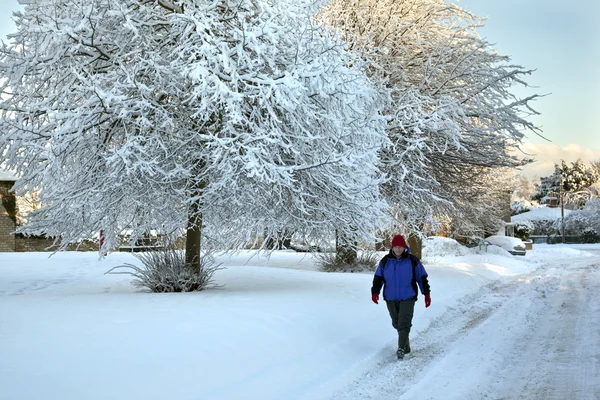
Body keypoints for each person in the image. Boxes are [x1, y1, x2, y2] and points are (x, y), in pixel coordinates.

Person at [371, 234, 431, 359]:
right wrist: (375, 292)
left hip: (408, 296)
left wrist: (426, 293)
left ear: (404, 247)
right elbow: (378, 278)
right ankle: (406, 345)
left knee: (404, 322)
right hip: (390, 297)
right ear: (392, 248)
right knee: (397, 323)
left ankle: (401, 349)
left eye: (400, 247)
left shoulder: (412, 261)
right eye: (396, 247)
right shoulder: (385, 261)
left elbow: (421, 277)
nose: (398, 249)